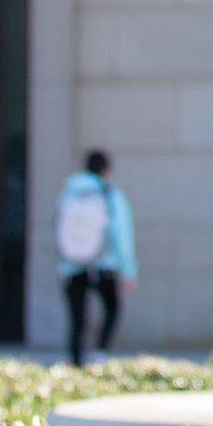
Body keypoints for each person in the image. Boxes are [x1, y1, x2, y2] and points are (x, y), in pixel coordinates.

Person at [54, 148, 137, 366]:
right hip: (103, 265)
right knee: (112, 308)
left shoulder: (68, 193)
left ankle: (76, 359)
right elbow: (122, 234)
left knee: (77, 318)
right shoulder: (110, 194)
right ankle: (100, 352)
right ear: (106, 170)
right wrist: (128, 270)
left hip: (72, 265)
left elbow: (58, 228)